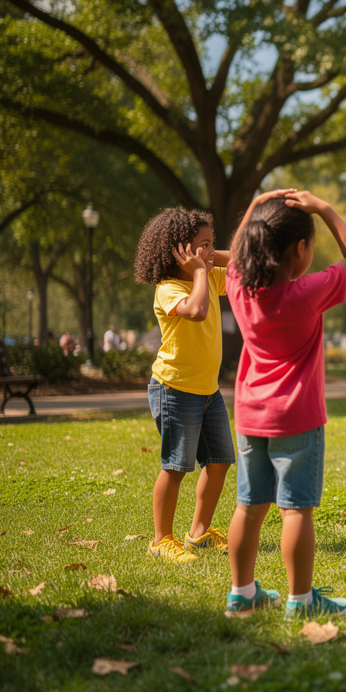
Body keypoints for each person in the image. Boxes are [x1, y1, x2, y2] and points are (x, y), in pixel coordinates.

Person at [224, 189, 346, 619]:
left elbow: (235, 251)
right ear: (301, 249)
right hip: (297, 419)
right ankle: (300, 601)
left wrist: (256, 204)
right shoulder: (308, 291)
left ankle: (241, 592)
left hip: (250, 415)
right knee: (295, 509)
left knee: (248, 506)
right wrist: (323, 208)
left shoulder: (238, 287)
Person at [133, 207, 235, 564]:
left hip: (208, 390)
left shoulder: (206, 275)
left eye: (211, 244)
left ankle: (198, 533)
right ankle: (161, 540)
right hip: (174, 388)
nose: (210, 252)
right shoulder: (169, 288)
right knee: (176, 466)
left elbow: (244, 264)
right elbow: (197, 310)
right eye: (202, 245)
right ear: (178, 251)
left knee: (221, 460)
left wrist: (205, 258)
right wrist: (199, 271)